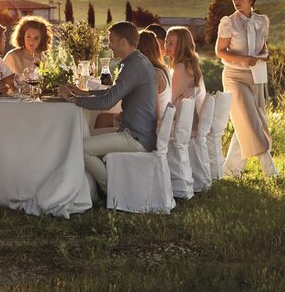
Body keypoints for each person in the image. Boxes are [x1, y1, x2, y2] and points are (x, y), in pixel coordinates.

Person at [58, 22, 157, 193]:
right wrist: (85, 93)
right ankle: (95, 188)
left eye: (112, 41)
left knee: (80, 148)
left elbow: (107, 102)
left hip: (135, 138)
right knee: (86, 137)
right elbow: (113, 92)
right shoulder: (138, 61)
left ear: (123, 42)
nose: (109, 46)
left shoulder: (133, 65)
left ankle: (111, 190)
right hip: (136, 133)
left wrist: (73, 100)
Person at [215, 0, 279, 178]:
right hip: (234, 77)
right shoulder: (228, 22)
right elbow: (220, 51)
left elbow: (262, 47)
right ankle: (271, 171)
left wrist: (265, 54)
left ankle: (229, 171)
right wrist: (243, 59)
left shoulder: (262, 21)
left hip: (256, 76)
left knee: (247, 122)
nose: (236, 0)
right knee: (252, 122)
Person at [165, 26, 206, 115]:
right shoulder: (188, 65)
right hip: (187, 118)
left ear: (182, 46)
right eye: (166, 42)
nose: (166, 46)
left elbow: (169, 99)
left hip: (185, 122)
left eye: (171, 43)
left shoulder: (182, 68)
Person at [139, 30, 171, 125]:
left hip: (155, 127)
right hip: (162, 122)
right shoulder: (163, 69)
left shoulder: (152, 74)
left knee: (102, 118)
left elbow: (152, 113)